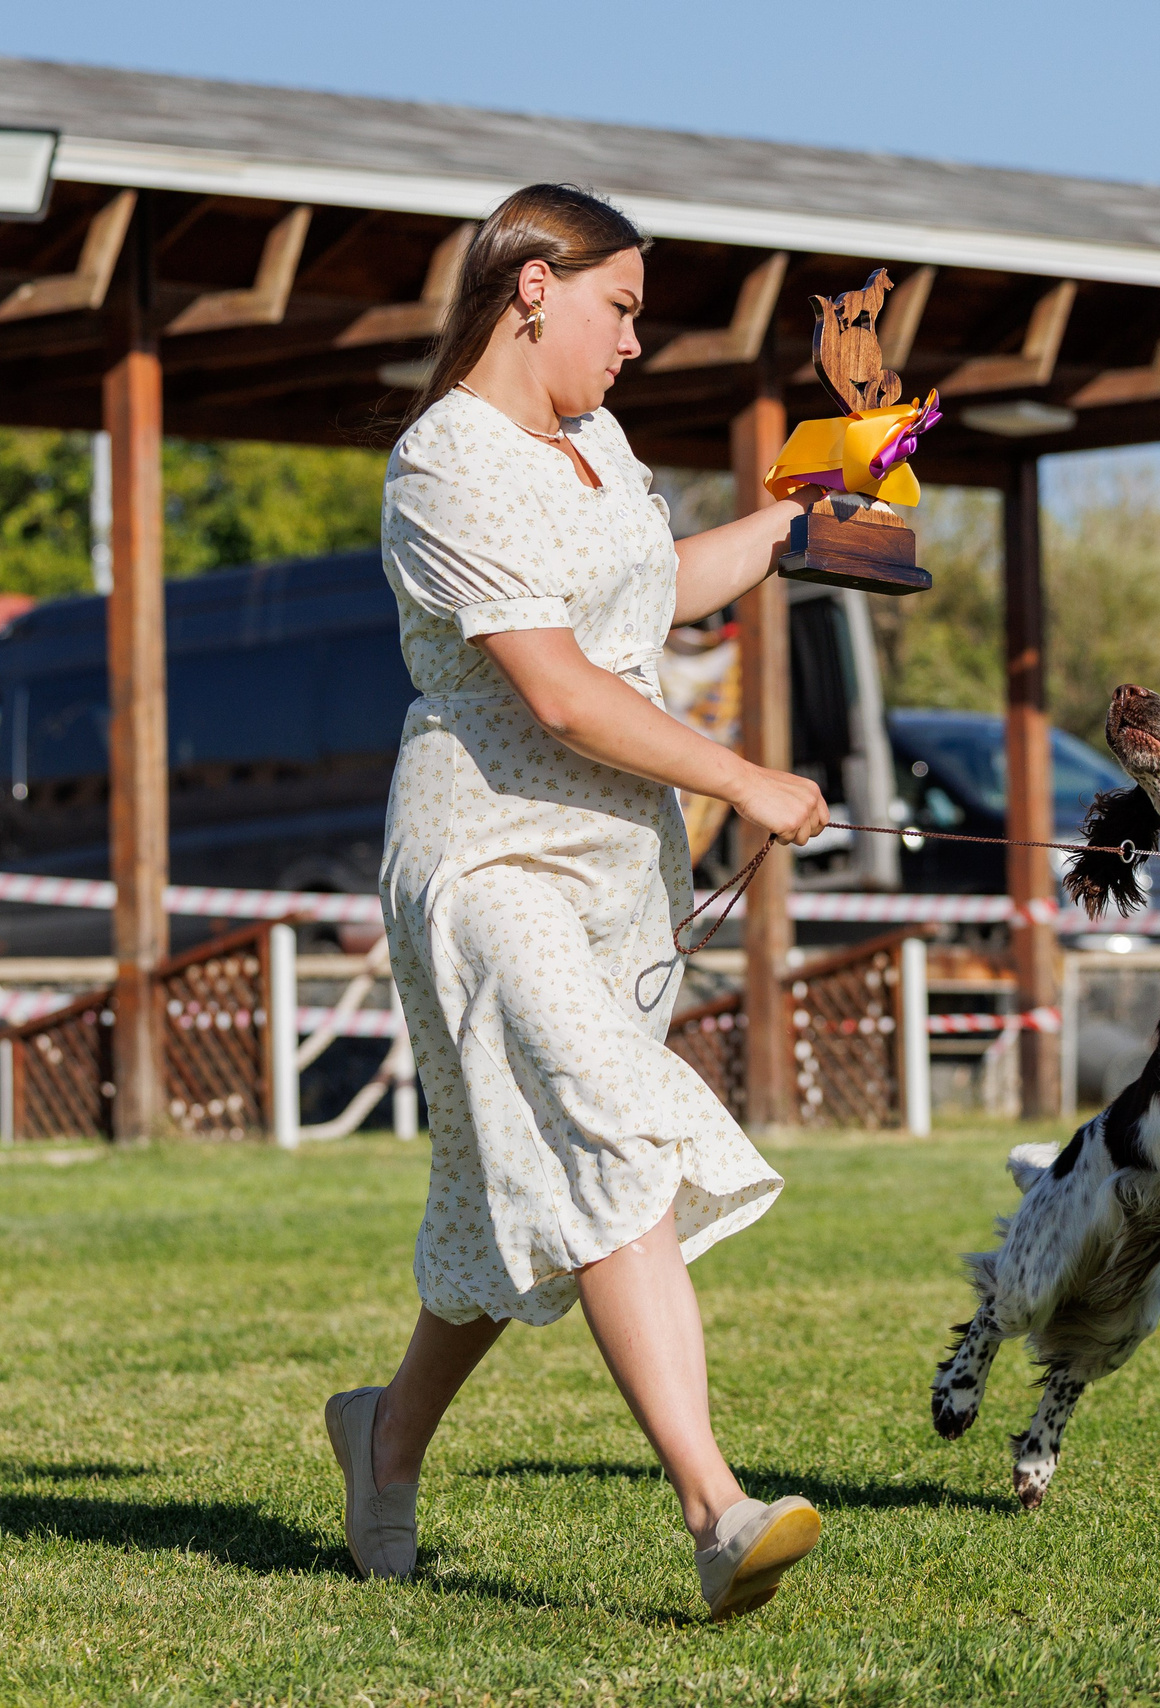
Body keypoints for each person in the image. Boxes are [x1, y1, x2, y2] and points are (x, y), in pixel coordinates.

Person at [322, 184, 832, 1620]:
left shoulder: (596, 443)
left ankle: (385, 1438)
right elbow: (555, 686)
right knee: (610, 1136)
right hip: (484, 861)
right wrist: (745, 775)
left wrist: (797, 528)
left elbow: (653, 595)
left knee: (516, 1205)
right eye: (621, 308)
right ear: (533, 287)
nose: (635, 344)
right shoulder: (444, 463)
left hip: (618, 870)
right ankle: (716, 1508)